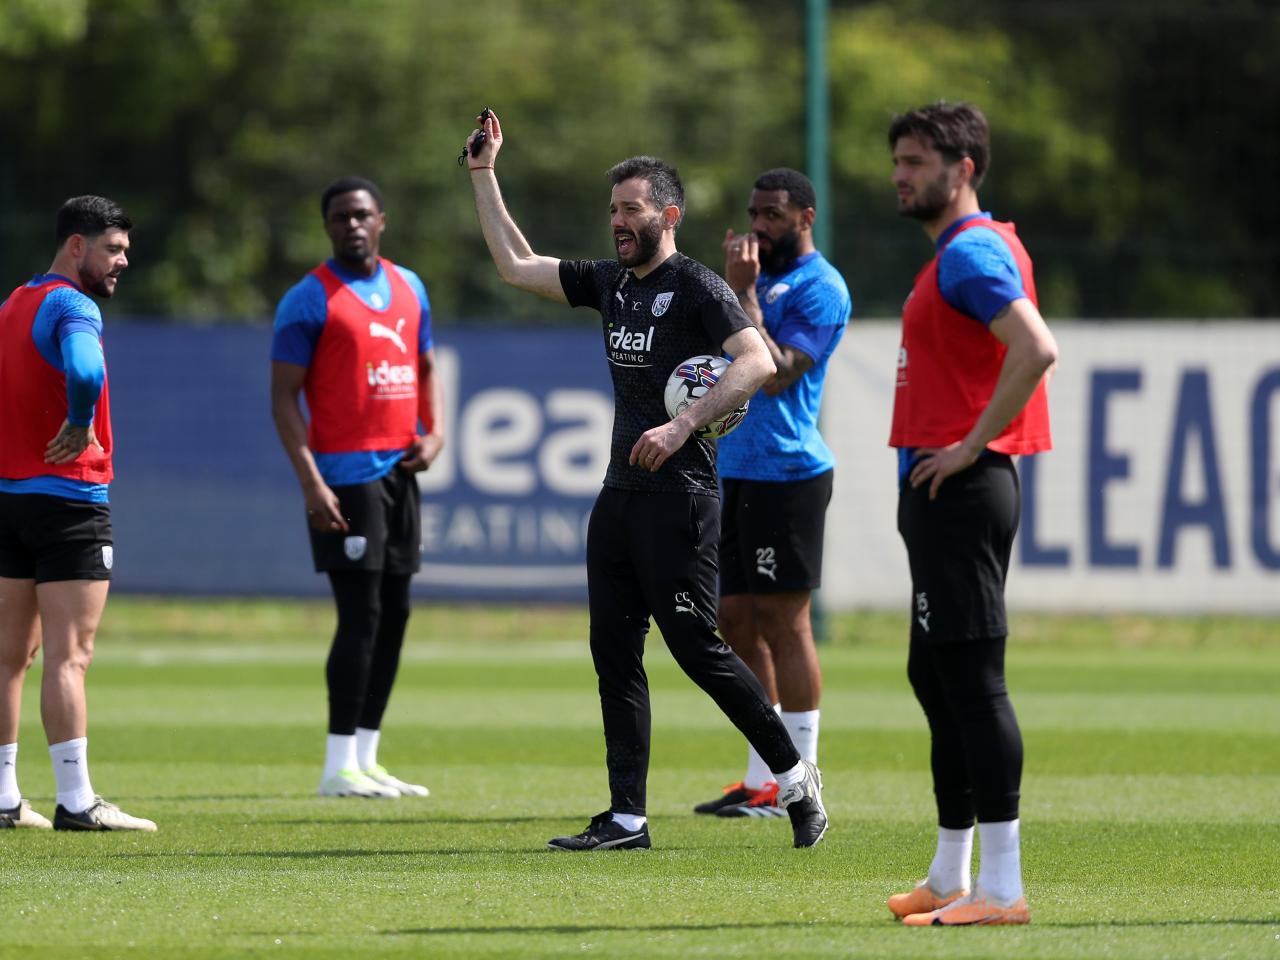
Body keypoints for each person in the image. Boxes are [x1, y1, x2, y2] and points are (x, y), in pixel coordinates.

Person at [462, 111, 827, 851]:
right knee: (613, 653)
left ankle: (795, 775)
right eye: (612, 211)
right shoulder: (612, 284)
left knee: (697, 648)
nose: (617, 223)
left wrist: (683, 424)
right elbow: (515, 265)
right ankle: (626, 817)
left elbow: (756, 361)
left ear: (668, 214)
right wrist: (482, 174)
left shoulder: (695, 287)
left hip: (683, 499)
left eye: (630, 210)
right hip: (619, 498)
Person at [883, 102, 1057, 926]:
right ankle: (953, 873)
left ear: (964, 170)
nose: (901, 176)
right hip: (944, 490)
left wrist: (967, 445)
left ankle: (1003, 890)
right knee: (936, 675)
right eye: (899, 162)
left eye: (917, 161)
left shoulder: (973, 252)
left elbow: (1036, 347)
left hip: (965, 486)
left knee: (975, 686)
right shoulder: (959, 253)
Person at [271, 176, 445, 799]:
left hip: (400, 472)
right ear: (328, 226)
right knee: (360, 615)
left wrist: (437, 431)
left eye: (362, 214)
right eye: (341, 216)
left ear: (381, 220)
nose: (352, 224)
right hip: (345, 479)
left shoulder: (410, 286)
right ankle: (335, 764)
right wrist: (312, 481)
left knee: (394, 614)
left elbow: (425, 365)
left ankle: (367, 758)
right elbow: (283, 398)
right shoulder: (308, 299)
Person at [693, 169, 851, 820]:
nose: (758, 226)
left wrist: (746, 295)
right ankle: (765, 776)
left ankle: (803, 779)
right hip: (733, 470)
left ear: (805, 217)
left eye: (774, 215)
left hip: (788, 472)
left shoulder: (822, 288)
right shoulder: (749, 282)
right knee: (733, 620)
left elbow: (780, 376)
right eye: (754, 212)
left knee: (785, 622)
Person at [0, 195, 156, 832]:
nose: (121, 262)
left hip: (8, 500)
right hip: (69, 501)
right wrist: (79, 417)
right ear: (75, 246)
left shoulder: (13, 303)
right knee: (70, 656)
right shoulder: (72, 303)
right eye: (113, 249)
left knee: (9, 658)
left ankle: (5, 798)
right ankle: (76, 801)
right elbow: (85, 368)